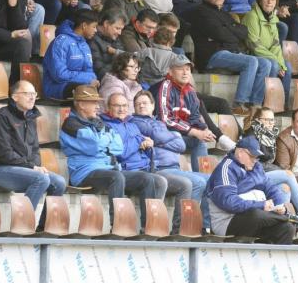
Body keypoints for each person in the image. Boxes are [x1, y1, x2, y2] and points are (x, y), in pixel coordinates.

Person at [60, 85, 166, 226]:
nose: (98, 106)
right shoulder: (71, 124)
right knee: (116, 177)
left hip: (106, 168)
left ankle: (148, 227)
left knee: (147, 178)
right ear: (80, 104)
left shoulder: (98, 122)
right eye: (93, 103)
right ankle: (118, 225)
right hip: (84, 172)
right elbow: (94, 146)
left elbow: (118, 146)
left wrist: (103, 142)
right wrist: (105, 141)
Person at [101, 93, 188, 232]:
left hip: (145, 168)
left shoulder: (131, 125)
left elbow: (144, 149)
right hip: (125, 170)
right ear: (108, 107)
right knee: (154, 180)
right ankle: (148, 226)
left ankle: (158, 226)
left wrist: (148, 145)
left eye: (124, 106)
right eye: (117, 105)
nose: (121, 109)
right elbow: (121, 152)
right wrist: (139, 142)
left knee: (168, 182)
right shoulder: (106, 126)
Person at [0, 80, 66, 230]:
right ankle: (21, 225)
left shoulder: (31, 118)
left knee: (59, 182)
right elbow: (3, 153)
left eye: (34, 94)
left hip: (25, 169)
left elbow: (35, 149)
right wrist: (32, 167)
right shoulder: (1, 116)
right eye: (27, 94)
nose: (32, 97)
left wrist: (35, 165)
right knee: (41, 178)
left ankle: (43, 227)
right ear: (15, 97)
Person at [130, 91, 211, 228]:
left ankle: (205, 227)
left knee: (210, 179)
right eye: (138, 104)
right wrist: (172, 137)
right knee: (197, 182)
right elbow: (161, 136)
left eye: (144, 103)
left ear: (153, 105)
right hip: (160, 169)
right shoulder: (136, 122)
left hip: (174, 168)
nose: (141, 106)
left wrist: (165, 139)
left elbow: (181, 145)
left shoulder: (160, 123)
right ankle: (183, 226)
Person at [189, 0, 269, 114]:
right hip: (211, 55)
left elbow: (244, 32)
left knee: (265, 63)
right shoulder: (201, 11)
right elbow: (219, 33)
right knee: (251, 61)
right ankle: (239, 103)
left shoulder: (225, 13)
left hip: (230, 52)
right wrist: (232, 31)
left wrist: (229, 31)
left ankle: (256, 105)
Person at [205, 136, 294, 244]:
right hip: (227, 222)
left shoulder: (256, 167)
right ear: (240, 152)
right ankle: (287, 218)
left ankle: (274, 259)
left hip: (255, 219)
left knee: (287, 228)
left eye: (256, 157)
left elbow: (271, 189)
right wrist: (261, 205)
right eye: (252, 156)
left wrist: (280, 206)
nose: (254, 160)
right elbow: (229, 202)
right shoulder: (226, 168)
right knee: (256, 215)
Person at [151, 55, 213, 171]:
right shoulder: (165, 86)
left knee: (200, 141)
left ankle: (205, 178)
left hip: (182, 135)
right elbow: (166, 119)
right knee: (180, 135)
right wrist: (193, 131)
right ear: (170, 71)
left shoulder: (190, 90)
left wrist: (204, 129)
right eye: (180, 69)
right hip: (166, 136)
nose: (185, 73)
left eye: (188, 69)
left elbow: (195, 116)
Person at [244, 107, 298, 219]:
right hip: (253, 175)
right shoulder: (252, 135)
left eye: (272, 120)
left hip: (265, 173)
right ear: (258, 120)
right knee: (288, 175)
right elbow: (255, 163)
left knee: (285, 188)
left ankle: (283, 220)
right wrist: (278, 170)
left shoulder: (270, 136)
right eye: (266, 119)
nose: (270, 123)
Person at [242, 0, 292, 107]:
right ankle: (265, 101)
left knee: (287, 66)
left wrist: (281, 63)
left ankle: (280, 103)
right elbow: (254, 45)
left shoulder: (273, 18)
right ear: (260, 0)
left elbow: (275, 44)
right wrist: (276, 61)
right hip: (252, 54)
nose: (270, 2)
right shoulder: (251, 16)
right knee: (273, 64)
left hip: (267, 55)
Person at [42, 9, 99, 100]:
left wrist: (92, 79)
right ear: (84, 25)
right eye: (94, 26)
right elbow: (59, 74)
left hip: (79, 85)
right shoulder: (61, 42)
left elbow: (89, 70)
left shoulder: (85, 45)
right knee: (84, 92)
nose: (96, 30)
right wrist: (87, 80)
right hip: (56, 88)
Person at [88, 9, 128, 80]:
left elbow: (125, 58)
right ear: (106, 24)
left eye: (121, 29)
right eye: (117, 28)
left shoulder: (114, 37)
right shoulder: (92, 39)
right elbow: (99, 71)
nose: (120, 33)